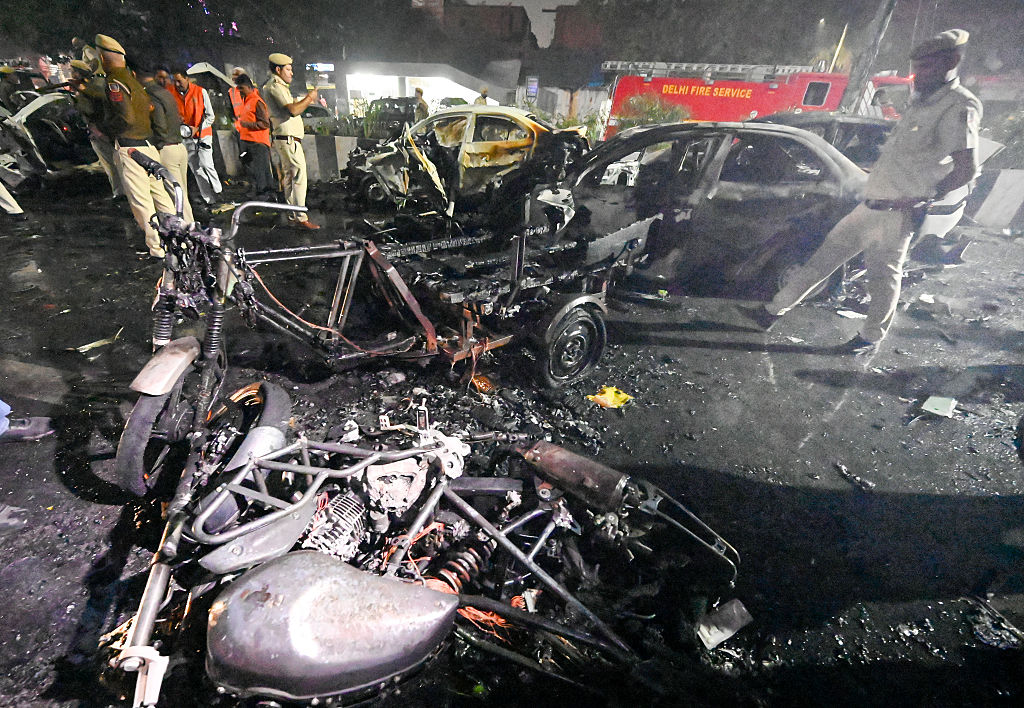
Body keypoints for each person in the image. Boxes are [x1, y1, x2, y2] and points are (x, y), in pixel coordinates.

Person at [741, 29, 982, 358]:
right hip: (869, 205)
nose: (918, 74)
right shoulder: (921, 103)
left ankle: (870, 338)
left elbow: (967, 169)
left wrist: (924, 197)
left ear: (951, 62)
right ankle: (771, 312)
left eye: (927, 67)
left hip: (896, 213)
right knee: (822, 259)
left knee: (882, 280)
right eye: (917, 67)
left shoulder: (959, 106)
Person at [94, 34, 176, 258]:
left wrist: (105, 129)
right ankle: (177, 239)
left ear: (102, 57)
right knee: (161, 197)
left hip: (131, 147)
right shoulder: (134, 82)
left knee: (142, 202)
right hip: (148, 145)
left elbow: (126, 118)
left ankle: (157, 248)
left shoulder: (114, 82)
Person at [261, 52, 320, 230]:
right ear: (278, 70)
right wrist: (309, 98)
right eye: (288, 69)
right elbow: (293, 111)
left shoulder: (277, 86)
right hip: (288, 140)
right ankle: (300, 217)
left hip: (285, 139)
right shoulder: (274, 86)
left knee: (290, 178)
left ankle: (292, 215)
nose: (291, 73)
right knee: (299, 177)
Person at [136, 65, 194, 222]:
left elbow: (160, 124)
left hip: (167, 149)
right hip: (179, 147)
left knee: (176, 197)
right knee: (182, 194)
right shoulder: (166, 93)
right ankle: (190, 226)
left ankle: (187, 229)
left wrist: (158, 144)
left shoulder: (150, 94)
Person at [68, 59, 123, 201]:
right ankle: (120, 192)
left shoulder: (94, 85)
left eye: (73, 71)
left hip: (100, 130)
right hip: (101, 129)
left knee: (112, 163)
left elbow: (92, 107)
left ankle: (120, 193)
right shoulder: (90, 85)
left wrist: (81, 92)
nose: (71, 74)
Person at [170, 68, 223, 206]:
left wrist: (198, 128)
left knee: (206, 164)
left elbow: (210, 116)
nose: (177, 84)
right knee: (196, 169)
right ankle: (209, 199)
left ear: (187, 79)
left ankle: (219, 192)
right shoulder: (171, 93)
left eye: (179, 81)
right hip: (185, 137)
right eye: (174, 81)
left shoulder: (200, 92)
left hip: (203, 135)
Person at [233, 74, 275, 198]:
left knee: (261, 172)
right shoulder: (247, 101)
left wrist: (246, 124)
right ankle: (260, 195)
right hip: (249, 143)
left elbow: (265, 123)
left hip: (258, 143)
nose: (239, 91)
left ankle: (265, 197)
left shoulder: (257, 101)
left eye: (241, 88)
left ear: (248, 87)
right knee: (255, 173)